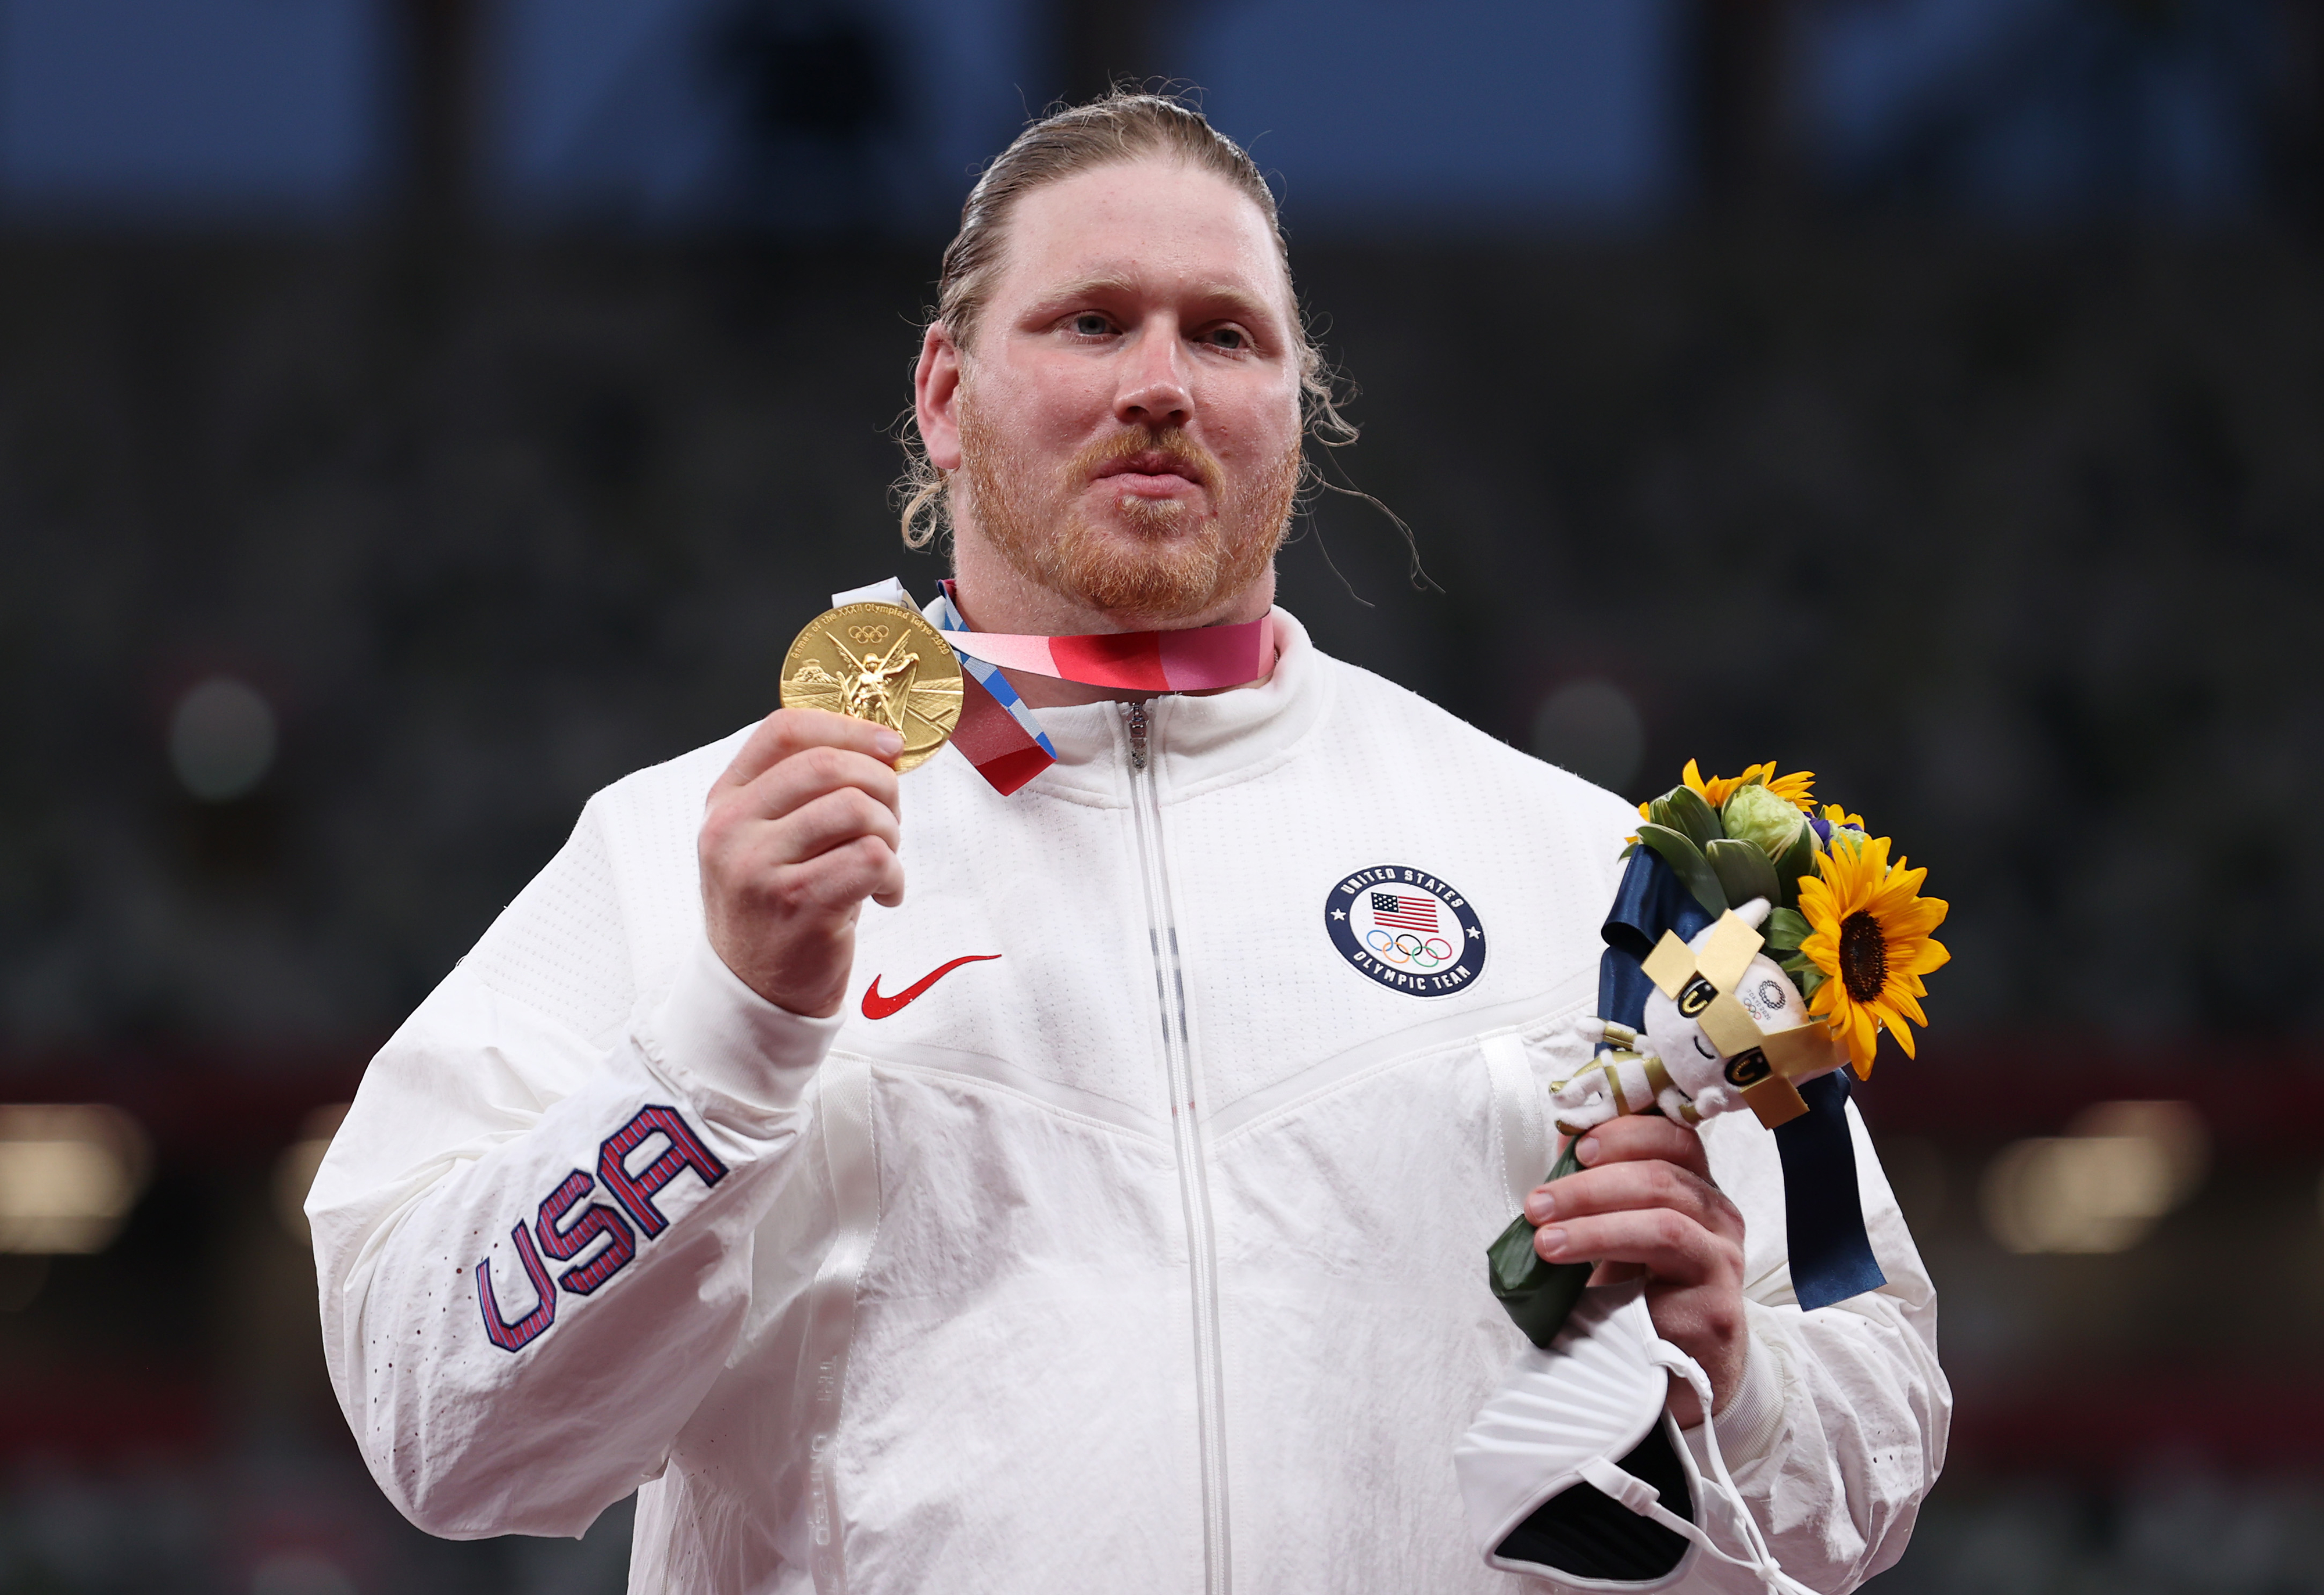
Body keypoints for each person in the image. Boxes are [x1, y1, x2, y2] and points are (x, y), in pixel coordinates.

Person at [309, 93, 1947, 1593]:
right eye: (1092, 321)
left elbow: (1873, 1453)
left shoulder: (1568, 863)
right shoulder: (692, 852)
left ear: (1293, 411)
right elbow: (440, 1425)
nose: (1160, 382)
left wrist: (1739, 1377)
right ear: (947, 397)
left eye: (1222, 335)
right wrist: (728, 1036)